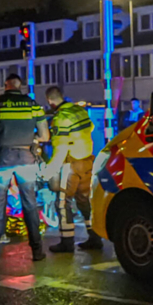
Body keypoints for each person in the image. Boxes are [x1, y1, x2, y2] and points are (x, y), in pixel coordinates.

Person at [0, 74, 49, 264]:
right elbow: (45, 136)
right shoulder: (33, 105)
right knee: (30, 204)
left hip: (3, 159)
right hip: (26, 159)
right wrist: (30, 139)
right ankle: (37, 251)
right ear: (20, 86)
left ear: (6, 85)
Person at [44, 86, 103, 253]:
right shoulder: (80, 110)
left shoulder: (60, 118)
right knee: (84, 200)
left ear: (50, 101)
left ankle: (67, 241)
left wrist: (48, 172)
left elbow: (60, 149)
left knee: (62, 202)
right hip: (87, 161)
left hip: (71, 164)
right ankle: (95, 237)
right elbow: (90, 127)